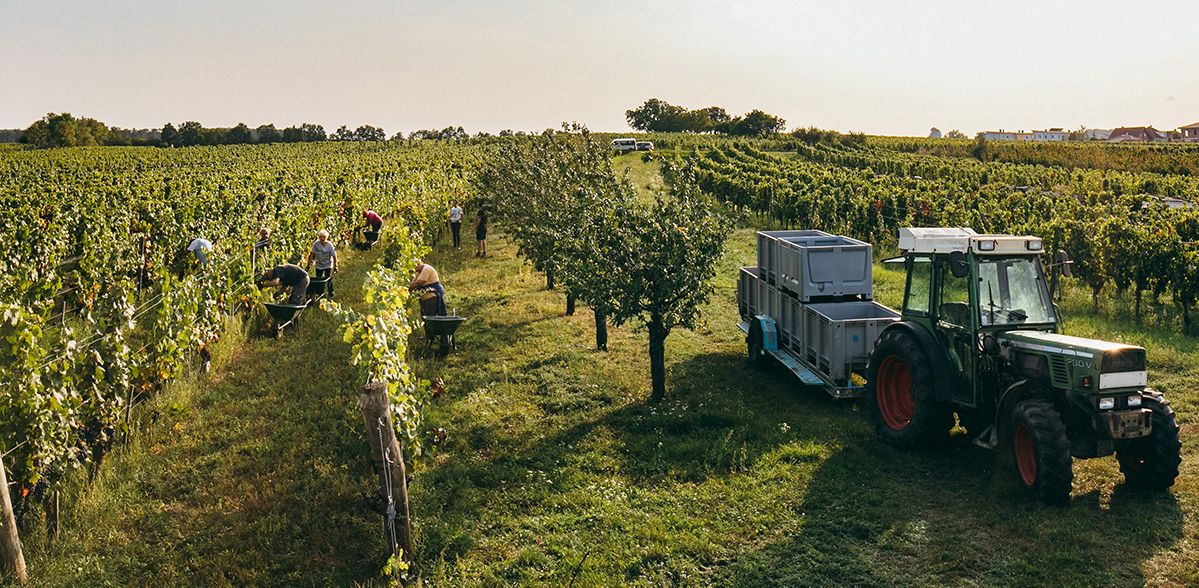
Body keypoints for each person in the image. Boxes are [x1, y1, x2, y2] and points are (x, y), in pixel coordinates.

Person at [306, 229, 338, 297]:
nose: (322, 239)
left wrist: (336, 266)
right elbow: (311, 254)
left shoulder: (329, 245)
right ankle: (320, 292)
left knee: (328, 278)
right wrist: (308, 265)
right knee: (318, 279)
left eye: (324, 237)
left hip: (328, 264)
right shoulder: (316, 244)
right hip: (319, 264)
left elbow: (334, 256)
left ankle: (330, 292)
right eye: (321, 237)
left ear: (326, 237)